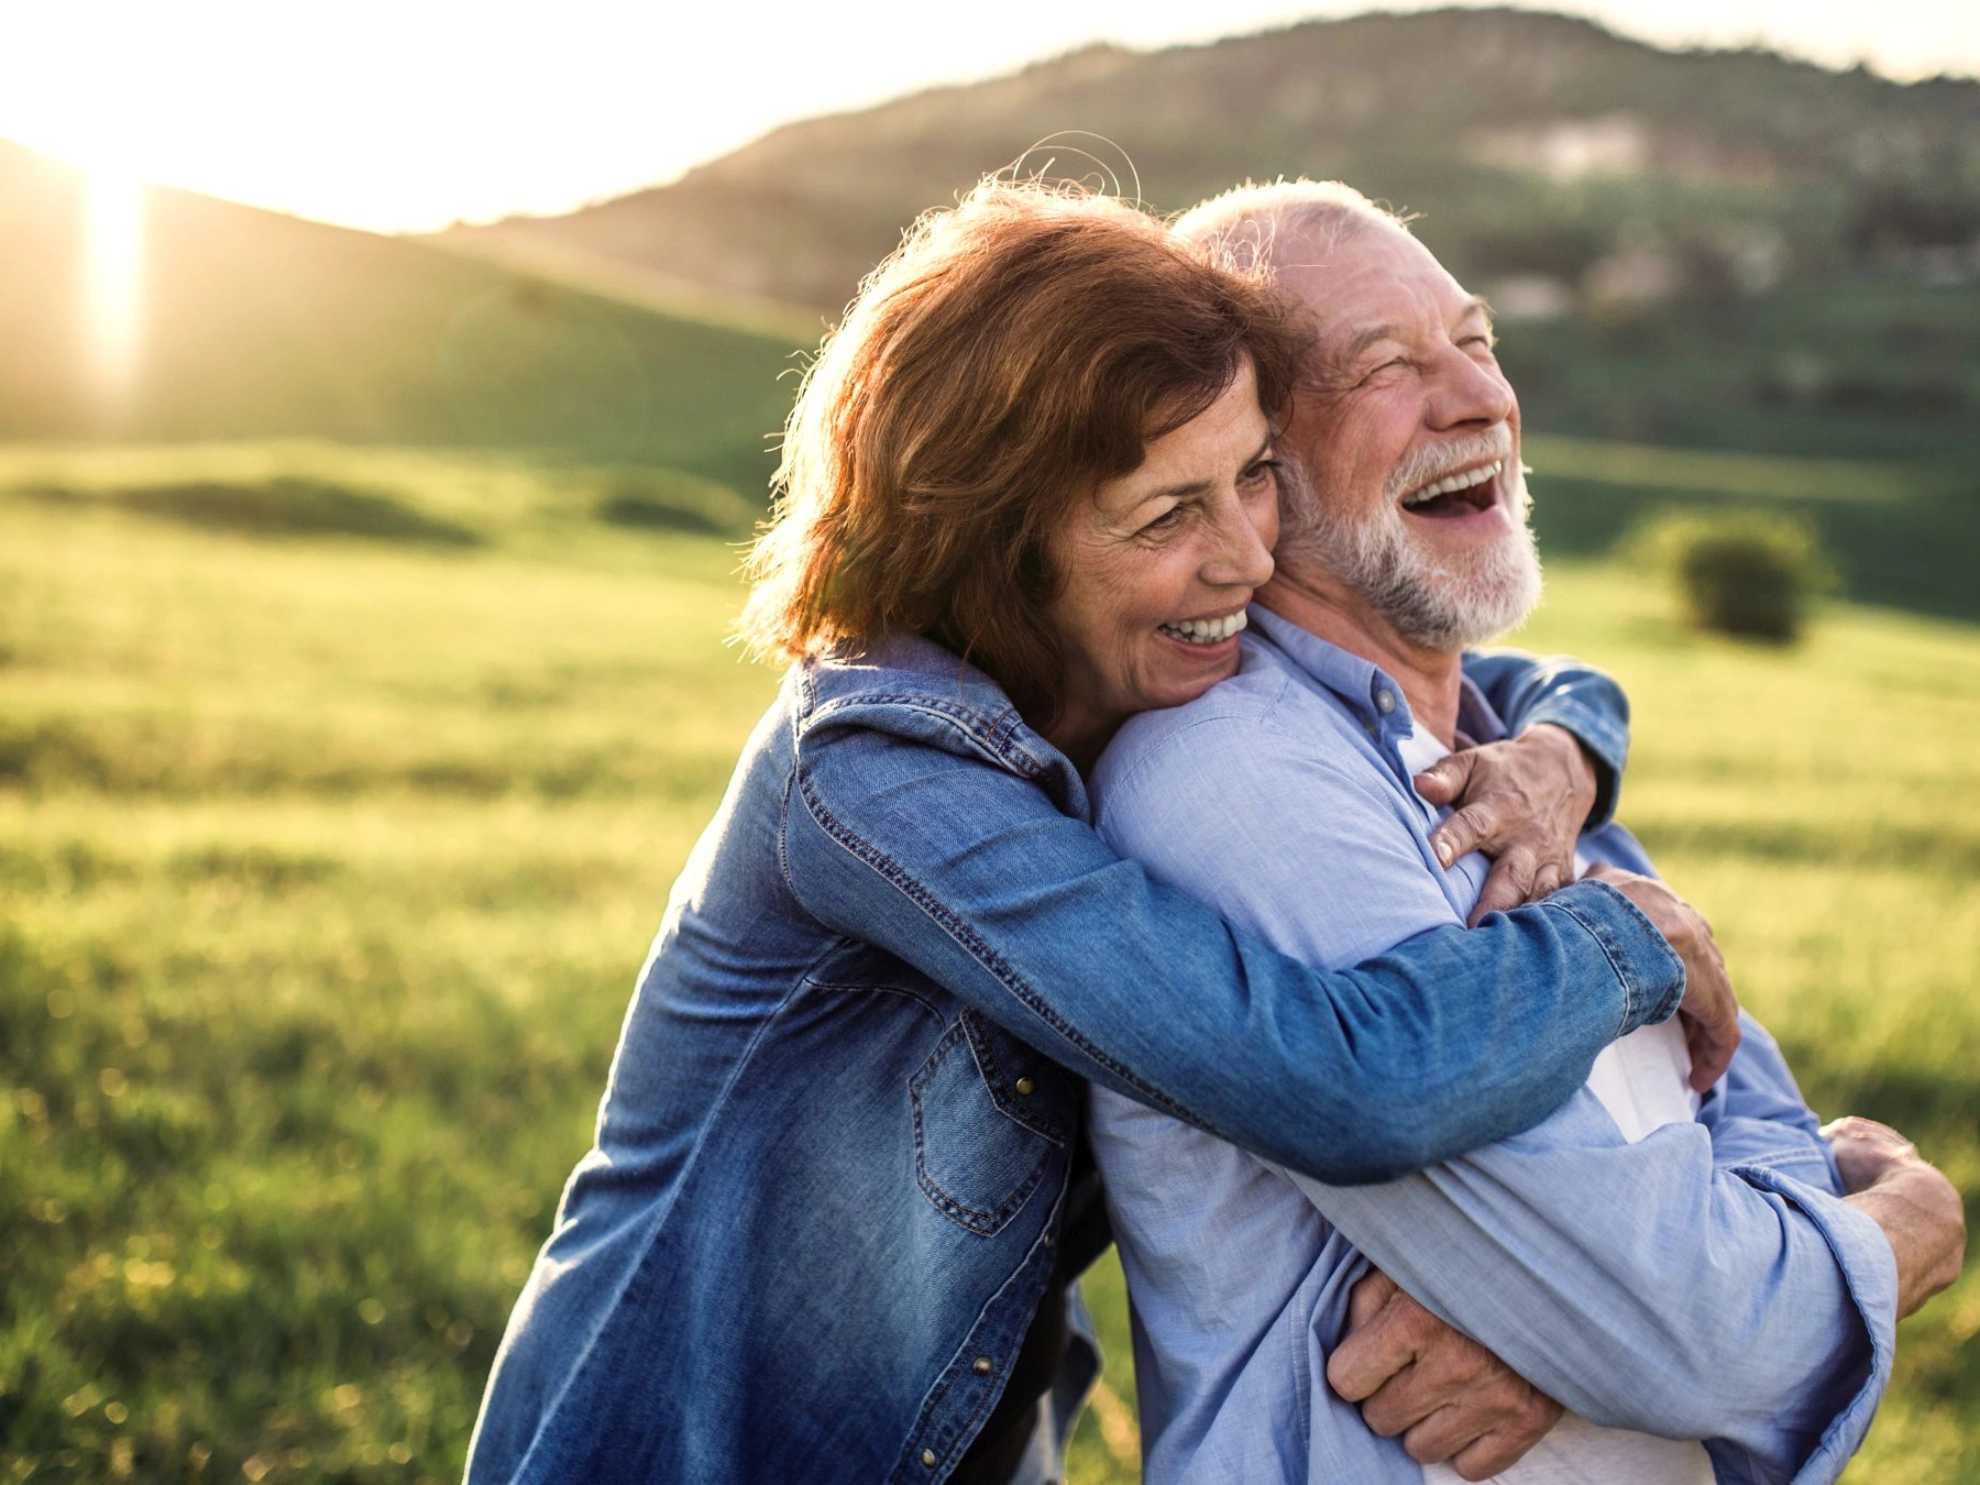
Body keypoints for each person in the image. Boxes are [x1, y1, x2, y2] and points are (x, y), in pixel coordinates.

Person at [460, 180, 1739, 1485]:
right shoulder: (877, 779)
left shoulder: (1122, 681)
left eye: (1252, 477)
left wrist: (1560, 755)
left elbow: (1516, 684)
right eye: (1170, 516)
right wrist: (1622, 935)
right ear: (1000, 547)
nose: (1246, 556)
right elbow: (1338, 1083)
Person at [1086, 179, 1966, 1484]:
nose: (1478, 399)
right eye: (1385, 365)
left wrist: (1581, 1319)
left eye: (1478, 341)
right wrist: (1910, 1226)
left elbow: (1740, 1122)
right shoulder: (1240, 782)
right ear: (1248, 463)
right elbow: (1697, 1334)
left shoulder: (1518, 765)